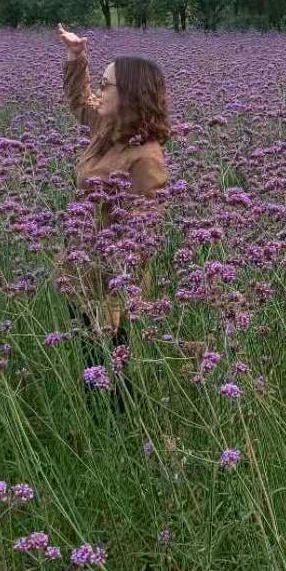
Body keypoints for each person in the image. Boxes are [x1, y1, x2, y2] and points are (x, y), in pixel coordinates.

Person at [54, 23, 169, 393]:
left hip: (109, 287)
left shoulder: (145, 158)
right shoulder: (107, 129)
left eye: (106, 85)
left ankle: (127, 438)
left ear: (131, 95)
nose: (99, 92)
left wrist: (116, 300)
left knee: (113, 383)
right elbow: (78, 102)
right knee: (91, 371)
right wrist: (77, 58)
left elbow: (143, 236)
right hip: (81, 274)